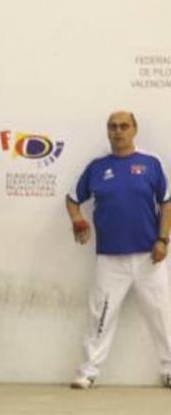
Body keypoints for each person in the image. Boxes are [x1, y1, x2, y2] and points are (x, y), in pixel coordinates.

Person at [66, 111, 171, 390]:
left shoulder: (151, 164)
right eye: (112, 127)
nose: (118, 131)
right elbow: (73, 199)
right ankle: (88, 371)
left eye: (124, 126)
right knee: (99, 315)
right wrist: (77, 219)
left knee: (162, 314)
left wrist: (163, 240)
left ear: (134, 129)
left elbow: (167, 203)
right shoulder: (97, 168)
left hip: (150, 256)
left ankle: (169, 370)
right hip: (109, 258)